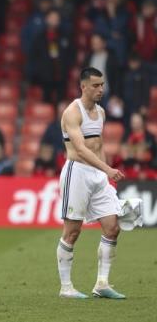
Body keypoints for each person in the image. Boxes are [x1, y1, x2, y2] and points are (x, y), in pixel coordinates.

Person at [56, 67, 126, 299]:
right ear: (83, 86)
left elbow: (99, 145)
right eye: (95, 85)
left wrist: (105, 176)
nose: (101, 89)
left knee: (112, 227)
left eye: (102, 85)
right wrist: (107, 169)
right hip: (78, 173)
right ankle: (66, 288)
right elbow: (81, 149)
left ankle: (102, 284)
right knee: (73, 232)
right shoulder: (72, 113)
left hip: (98, 175)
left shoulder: (102, 112)